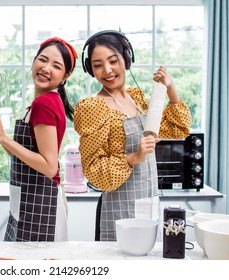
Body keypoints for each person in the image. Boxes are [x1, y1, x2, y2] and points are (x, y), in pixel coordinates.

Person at [74, 30, 192, 241]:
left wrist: (170, 88)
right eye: (98, 65)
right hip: (120, 207)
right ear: (90, 70)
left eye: (113, 61)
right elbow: (93, 170)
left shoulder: (136, 99)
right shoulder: (94, 108)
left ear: (126, 60)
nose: (107, 70)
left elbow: (177, 128)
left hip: (148, 201)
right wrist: (133, 157)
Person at [0, 37, 78, 241]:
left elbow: (48, 166)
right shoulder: (42, 102)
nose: (46, 68)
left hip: (40, 208)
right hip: (30, 204)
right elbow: (25, 157)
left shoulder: (44, 104)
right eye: (42, 60)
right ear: (33, 61)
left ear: (65, 76)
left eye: (56, 66)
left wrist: (3, 138)